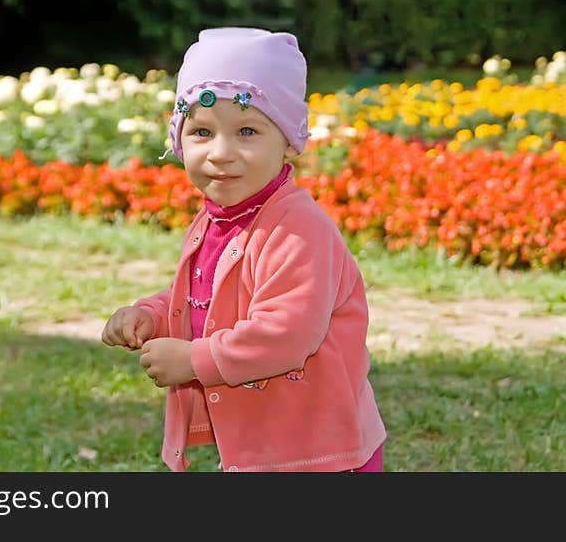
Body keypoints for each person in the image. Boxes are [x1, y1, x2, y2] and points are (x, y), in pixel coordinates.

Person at [101, 27, 386, 472]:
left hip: (318, 453)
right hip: (268, 446)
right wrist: (153, 314)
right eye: (201, 132)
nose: (221, 153)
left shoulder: (298, 230)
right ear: (179, 140)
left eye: (247, 131)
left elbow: (288, 333)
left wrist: (195, 360)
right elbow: (211, 298)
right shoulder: (218, 218)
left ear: (289, 140)